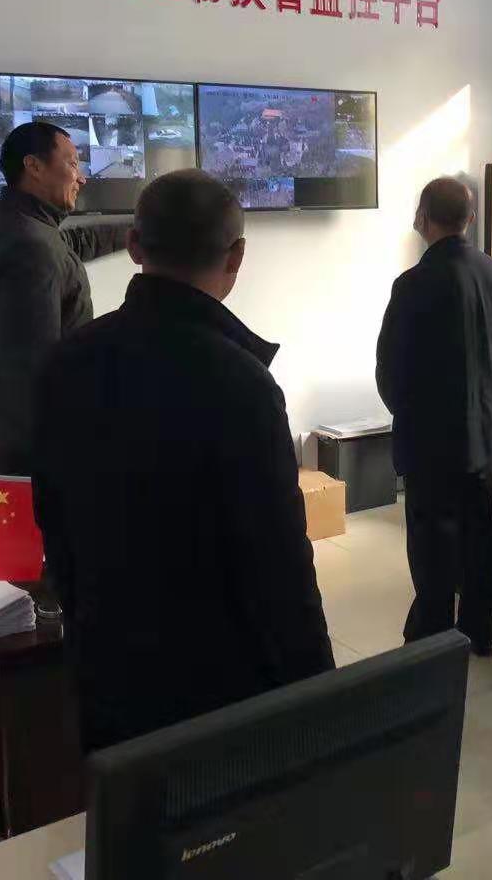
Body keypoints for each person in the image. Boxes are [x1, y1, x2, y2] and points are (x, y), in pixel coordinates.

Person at [30, 169, 333, 751]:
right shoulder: (242, 384)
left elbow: (56, 526)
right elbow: (278, 567)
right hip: (219, 694)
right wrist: (319, 695)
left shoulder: (66, 363)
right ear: (236, 256)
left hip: (108, 673)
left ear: (134, 247)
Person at [376, 177, 492, 656]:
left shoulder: (412, 284)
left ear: (421, 218)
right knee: (479, 535)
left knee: (432, 543)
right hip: (480, 432)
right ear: (470, 219)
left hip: (430, 440)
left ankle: (432, 642)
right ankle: (478, 632)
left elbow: (390, 369)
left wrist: (407, 414)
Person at [0, 121, 130, 476]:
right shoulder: (31, 243)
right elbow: (37, 364)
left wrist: (135, 232)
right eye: (72, 163)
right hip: (41, 441)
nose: (81, 178)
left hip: (10, 424)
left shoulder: (4, 223)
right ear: (34, 166)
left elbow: (72, 245)